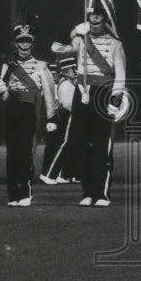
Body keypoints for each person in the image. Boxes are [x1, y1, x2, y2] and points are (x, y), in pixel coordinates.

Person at [64, 0, 127, 207]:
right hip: (82, 92)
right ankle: (88, 192)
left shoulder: (115, 44)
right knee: (81, 144)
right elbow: (57, 49)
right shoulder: (81, 40)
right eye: (92, 14)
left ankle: (102, 193)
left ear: (105, 17)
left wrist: (116, 99)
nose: (95, 17)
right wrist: (74, 31)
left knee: (101, 145)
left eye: (99, 14)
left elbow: (120, 74)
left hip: (103, 94)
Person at [0, 9, 57, 207]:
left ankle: (26, 193)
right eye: (21, 41)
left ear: (32, 43)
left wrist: (52, 117)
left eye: (28, 41)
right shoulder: (8, 66)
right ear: (16, 42)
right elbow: (3, 95)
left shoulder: (41, 66)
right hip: (12, 109)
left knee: (26, 153)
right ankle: (14, 195)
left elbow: (49, 93)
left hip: (29, 110)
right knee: (12, 153)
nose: (24, 44)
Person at [40, 52, 81, 185]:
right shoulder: (65, 85)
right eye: (72, 69)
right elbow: (69, 105)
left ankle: (66, 174)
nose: (75, 71)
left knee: (71, 146)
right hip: (68, 116)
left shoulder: (68, 83)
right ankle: (50, 174)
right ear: (66, 71)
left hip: (68, 116)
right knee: (64, 145)